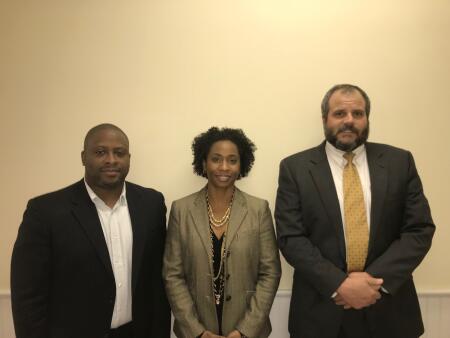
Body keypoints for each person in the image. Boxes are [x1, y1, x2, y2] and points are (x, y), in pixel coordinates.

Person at [275, 84, 435, 338]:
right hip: (320, 313)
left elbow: (419, 229)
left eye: (358, 114)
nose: (349, 120)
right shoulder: (295, 168)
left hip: (389, 310)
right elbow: (290, 237)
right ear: (325, 119)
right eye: (340, 113)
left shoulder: (399, 162)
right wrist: (339, 284)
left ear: (367, 119)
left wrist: (370, 283)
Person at [11, 123, 170, 338]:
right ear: (84, 157)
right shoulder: (45, 212)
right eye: (101, 152)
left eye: (119, 153)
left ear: (129, 158)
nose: (111, 160)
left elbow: (156, 282)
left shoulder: (152, 204)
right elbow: (28, 296)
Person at [163, 127, 281, 338]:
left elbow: (270, 273)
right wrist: (197, 332)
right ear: (204, 163)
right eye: (216, 159)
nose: (224, 167)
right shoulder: (181, 210)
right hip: (196, 329)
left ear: (241, 165)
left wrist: (245, 331)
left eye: (232, 160)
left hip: (248, 328)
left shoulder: (258, 209)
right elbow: (173, 275)